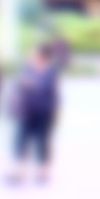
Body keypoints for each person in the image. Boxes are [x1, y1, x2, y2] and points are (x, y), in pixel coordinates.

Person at [7, 44, 61, 185]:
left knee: (42, 143)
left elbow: (48, 90)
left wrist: (32, 84)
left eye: (34, 54)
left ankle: (42, 173)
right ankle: (17, 172)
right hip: (26, 111)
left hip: (44, 112)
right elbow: (17, 86)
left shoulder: (51, 71)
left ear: (42, 56)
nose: (31, 56)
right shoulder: (26, 68)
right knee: (20, 141)